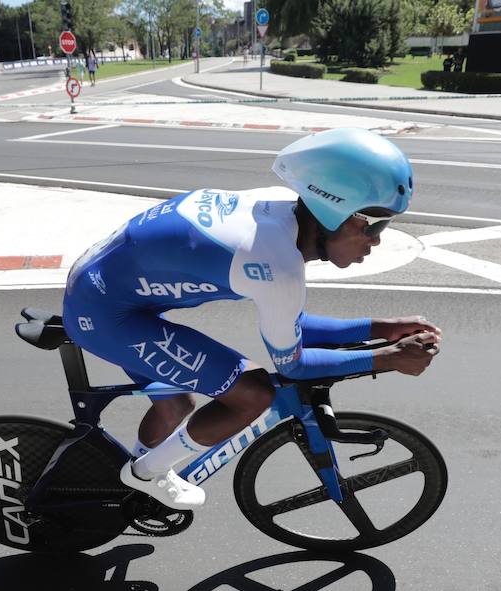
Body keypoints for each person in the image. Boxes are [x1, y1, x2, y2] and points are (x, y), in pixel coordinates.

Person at [61, 128, 442, 510]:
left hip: (106, 289)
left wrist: (379, 329)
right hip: (106, 313)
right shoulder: (275, 262)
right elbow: (294, 363)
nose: (376, 241)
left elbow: (294, 324)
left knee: (175, 404)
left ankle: (131, 483)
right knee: (254, 392)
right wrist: (387, 357)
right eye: (375, 225)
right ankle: (145, 474)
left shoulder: (278, 211)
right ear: (333, 210)